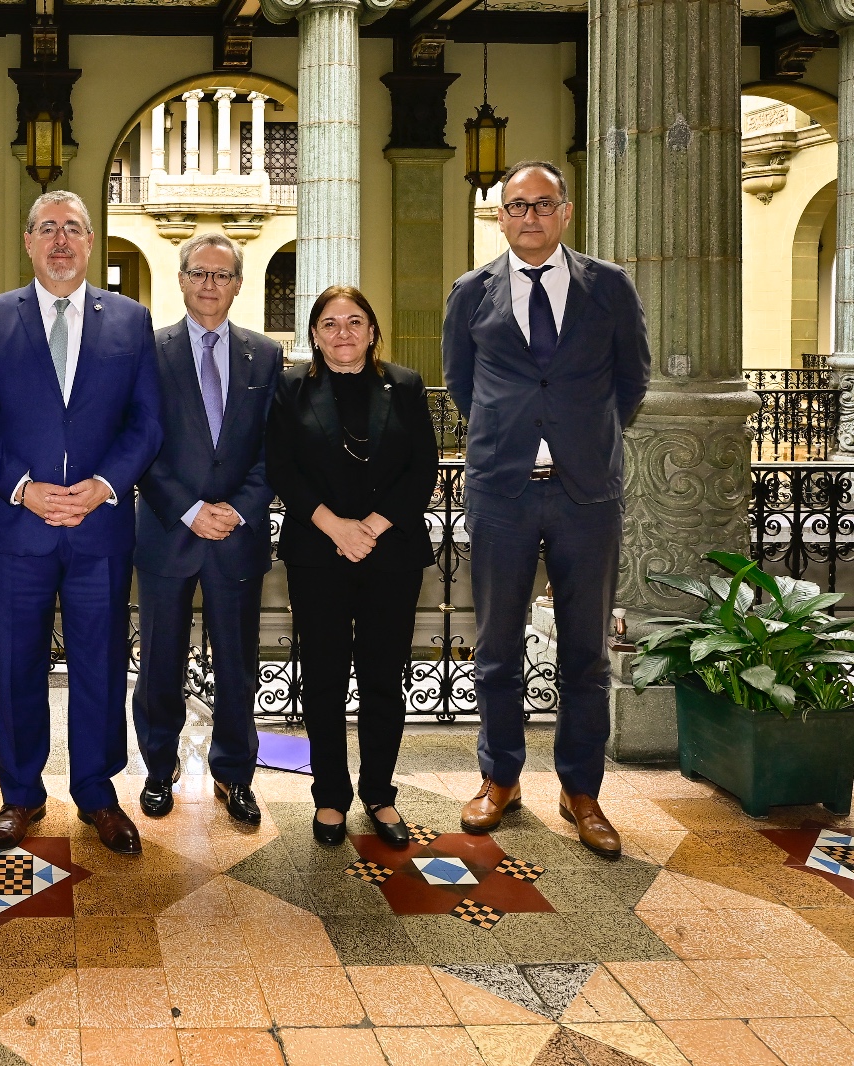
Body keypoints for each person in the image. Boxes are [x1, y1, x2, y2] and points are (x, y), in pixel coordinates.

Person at [442, 160, 651, 858]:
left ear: (565, 211)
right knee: (496, 647)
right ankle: (499, 778)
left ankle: (580, 790)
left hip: (585, 494)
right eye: (514, 206)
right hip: (501, 491)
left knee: (586, 653)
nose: (528, 217)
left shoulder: (610, 288)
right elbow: (462, 385)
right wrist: (515, 439)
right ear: (499, 217)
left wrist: (579, 442)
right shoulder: (470, 293)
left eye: (541, 204)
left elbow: (632, 380)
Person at [0, 190, 163, 856]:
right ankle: (20, 795)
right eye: (47, 228)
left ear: (91, 239)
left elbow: (146, 424)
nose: (61, 240)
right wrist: (23, 487)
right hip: (19, 526)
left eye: (72, 228)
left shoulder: (131, 321)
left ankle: (98, 796)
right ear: (28, 241)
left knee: (100, 666)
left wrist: (103, 486)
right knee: (15, 664)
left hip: (98, 526)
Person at [267, 286, 438, 847]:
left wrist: (374, 525)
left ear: (372, 331)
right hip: (318, 553)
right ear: (314, 334)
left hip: (391, 553)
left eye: (355, 321)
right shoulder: (292, 387)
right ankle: (331, 796)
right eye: (331, 323)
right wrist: (337, 527)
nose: (343, 332)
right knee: (322, 677)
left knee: (384, 677)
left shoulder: (405, 385)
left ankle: (380, 794)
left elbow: (423, 469)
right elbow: (281, 469)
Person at [132, 232, 282, 828]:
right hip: (170, 531)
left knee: (238, 665)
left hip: (238, 536)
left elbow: (275, 449)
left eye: (222, 275)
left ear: (238, 285)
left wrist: (239, 508)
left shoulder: (266, 355)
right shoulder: (150, 349)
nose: (209, 284)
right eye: (198, 273)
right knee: (160, 661)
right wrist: (191, 508)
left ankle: (234, 773)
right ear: (181, 279)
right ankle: (158, 764)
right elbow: (141, 443)